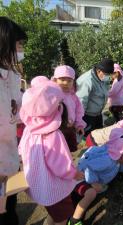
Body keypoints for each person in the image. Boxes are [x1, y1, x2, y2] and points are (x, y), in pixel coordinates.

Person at [18, 80, 84, 225]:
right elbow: (61, 166)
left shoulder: (29, 128)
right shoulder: (52, 135)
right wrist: (74, 174)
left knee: (54, 214)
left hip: (38, 183)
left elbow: (21, 149)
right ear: (57, 109)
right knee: (62, 218)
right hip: (53, 187)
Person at [71, 136, 123, 225]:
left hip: (89, 177)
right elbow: (88, 166)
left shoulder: (117, 159)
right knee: (91, 194)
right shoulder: (107, 161)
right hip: (81, 177)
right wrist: (93, 182)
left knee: (97, 190)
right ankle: (74, 221)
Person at [0, 16, 27, 225]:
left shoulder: (12, 75)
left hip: (9, 157)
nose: (21, 49)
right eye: (19, 44)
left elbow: (16, 113)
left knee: (10, 208)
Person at [76, 58, 114, 135]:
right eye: (107, 74)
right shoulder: (87, 81)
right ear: (99, 71)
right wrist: (80, 121)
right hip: (87, 116)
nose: (108, 77)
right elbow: (81, 102)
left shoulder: (102, 78)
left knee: (99, 136)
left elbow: (105, 91)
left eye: (109, 75)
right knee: (89, 138)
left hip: (98, 114)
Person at [52, 65, 86, 152]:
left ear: (73, 82)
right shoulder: (53, 95)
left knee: (71, 150)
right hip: (57, 130)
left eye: (69, 80)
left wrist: (79, 125)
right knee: (59, 152)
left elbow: (79, 112)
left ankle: (69, 163)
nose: (66, 83)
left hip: (71, 128)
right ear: (55, 80)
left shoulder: (73, 96)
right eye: (62, 80)